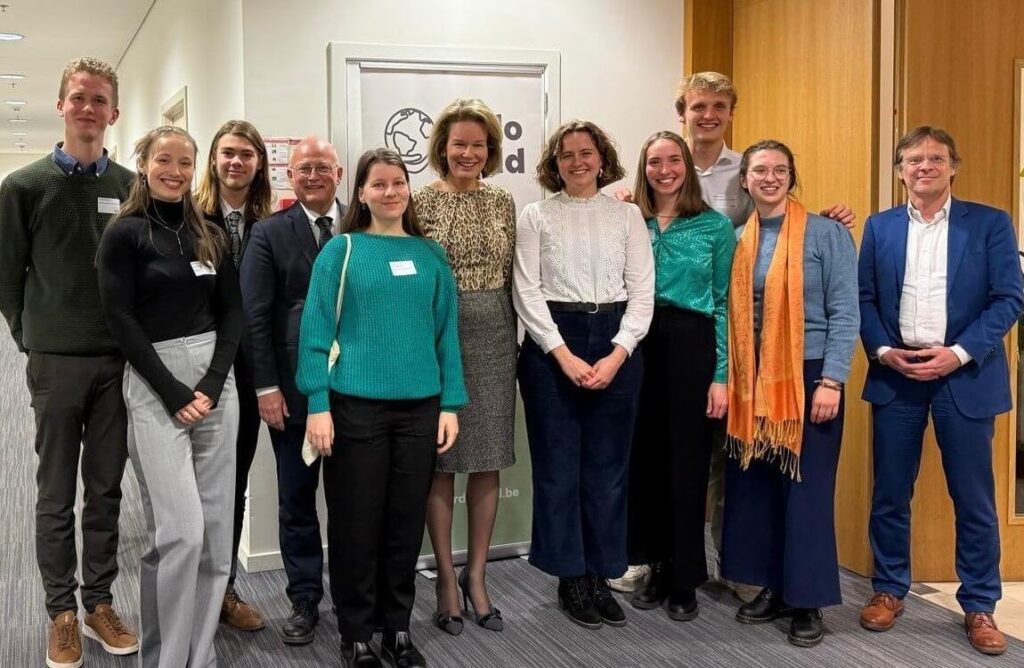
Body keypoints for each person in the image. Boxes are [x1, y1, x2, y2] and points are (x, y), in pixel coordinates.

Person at [611, 71, 855, 597]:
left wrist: (828, 218)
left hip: (743, 347)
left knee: (725, 464)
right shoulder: (643, 196)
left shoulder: (743, 183)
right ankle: (655, 558)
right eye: (699, 106)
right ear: (683, 112)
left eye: (718, 106)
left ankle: (729, 564)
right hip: (678, 343)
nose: (708, 114)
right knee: (675, 460)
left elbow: (781, 245)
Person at [297, 147, 467, 668]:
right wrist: (317, 402)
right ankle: (356, 632)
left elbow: (447, 337)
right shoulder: (341, 251)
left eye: (399, 183)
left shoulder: (430, 255)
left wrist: (451, 403)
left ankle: (396, 628)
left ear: (408, 190)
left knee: (403, 521)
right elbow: (315, 331)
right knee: (355, 521)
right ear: (363, 192)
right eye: (379, 184)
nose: (390, 192)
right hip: (354, 409)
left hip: (420, 408)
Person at [858, 127, 1023, 656]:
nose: (924, 166)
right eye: (913, 159)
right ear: (900, 170)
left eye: (936, 158)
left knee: (973, 499)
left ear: (953, 166)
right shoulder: (879, 227)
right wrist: (884, 351)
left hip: (964, 376)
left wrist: (958, 352)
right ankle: (889, 589)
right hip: (897, 374)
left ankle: (979, 605)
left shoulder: (991, 223)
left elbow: (1008, 298)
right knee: (889, 494)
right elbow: (862, 299)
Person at [0, 56, 139, 668]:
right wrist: (31, 337)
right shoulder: (22, 187)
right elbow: (6, 277)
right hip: (56, 361)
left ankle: (99, 603)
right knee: (55, 493)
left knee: (105, 490)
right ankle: (60, 611)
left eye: (99, 99)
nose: (88, 108)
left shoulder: (132, 187)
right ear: (61, 105)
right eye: (78, 97)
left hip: (118, 362)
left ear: (114, 112)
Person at [96, 126, 242, 667]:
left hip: (216, 382)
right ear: (144, 162)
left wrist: (209, 383)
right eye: (164, 160)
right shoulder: (124, 233)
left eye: (185, 161)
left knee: (215, 533)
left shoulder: (210, 231)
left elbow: (232, 313)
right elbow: (121, 319)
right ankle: (165, 658)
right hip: (156, 379)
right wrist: (174, 389)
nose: (175, 171)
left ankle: (197, 655)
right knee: (180, 531)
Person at [513, 119, 654, 630]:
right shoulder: (535, 215)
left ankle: (599, 572)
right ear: (554, 163)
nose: (577, 162)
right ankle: (570, 578)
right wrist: (563, 354)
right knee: (557, 470)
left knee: (607, 471)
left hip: (616, 339)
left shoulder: (628, 217)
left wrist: (618, 353)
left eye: (586, 153)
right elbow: (526, 292)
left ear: (602, 159)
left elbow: (642, 292)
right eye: (567, 154)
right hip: (553, 342)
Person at [720, 140, 858, 648]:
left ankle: (808, 601)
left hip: (810, 373)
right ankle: (773, 587)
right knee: (758, 487)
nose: (770, 178)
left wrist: (833, 380)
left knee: (806, 490)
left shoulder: (827, 233)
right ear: (746, 179)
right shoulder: (737, 237)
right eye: (760, 170)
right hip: (750, 378)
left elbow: (846, 311)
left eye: (780, 170)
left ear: (792, 177)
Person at [414, 97, 516, 636]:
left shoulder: (504, 202)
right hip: (436, 335)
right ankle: (446, 579)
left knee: (487, 459)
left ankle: (478, 575)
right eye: (459, 144)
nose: (469, 153)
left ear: (491, 150)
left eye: (479, 144)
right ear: (442, 148)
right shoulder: (420, 203)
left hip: (496, 333)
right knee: (441, 460)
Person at [239, 135, 346, 645]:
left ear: (339, 173)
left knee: (355, 503)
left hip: (361, 392)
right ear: (289, 176)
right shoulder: (268, 233)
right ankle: (305, 598)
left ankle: (353, 597)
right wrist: (266, 387)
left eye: (321, 167)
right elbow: (256, 317)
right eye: (303, 169)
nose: (312, 176)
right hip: (295, 393)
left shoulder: (367, 226)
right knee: (297, 503)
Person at [626, 131, 735, 622]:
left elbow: (725, 306)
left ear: (687, 167)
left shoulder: (713, 227)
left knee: (688, 467)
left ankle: (686, 577)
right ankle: (656, 565)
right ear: (643, 168)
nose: (664, 169)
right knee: (644, 463)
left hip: (692, 347)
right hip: (637, 344)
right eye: (654, 161)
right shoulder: (632, 220)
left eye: (673, 160)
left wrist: (720, 375)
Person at [196, 119, 274, 632]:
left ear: (259, 163)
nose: (236, 162)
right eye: (227, 153)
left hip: (253, 373)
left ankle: (223, 589)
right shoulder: (190, 218)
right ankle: (189, 591)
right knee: (192, 486)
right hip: (198, 371)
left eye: (246, 154)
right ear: (214, 160)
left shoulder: (274, 223)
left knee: (235, 482)